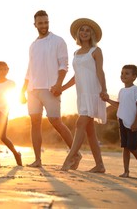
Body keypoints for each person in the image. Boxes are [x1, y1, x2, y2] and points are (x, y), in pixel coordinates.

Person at [20, 10, 78, 168]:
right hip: (32, 90)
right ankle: (38, 160)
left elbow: (63, 65)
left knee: (55, 121)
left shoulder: (58, 41)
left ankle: (75, 153)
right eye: (40, 23)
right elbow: (29, 69)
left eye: (46, 22)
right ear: (35, 25)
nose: (44, 25)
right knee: (35, 123)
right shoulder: (33, 45)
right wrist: (22, 90)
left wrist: (59, 84)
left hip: (50, 89)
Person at [60, 18, 107, 173]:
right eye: (82, 30)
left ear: (92, 34)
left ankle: (70, 158)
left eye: (88, 30)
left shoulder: (96, 51)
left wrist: (104, 90)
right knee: (90, 131)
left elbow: (100, 71)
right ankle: (100, 165)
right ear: (78, 34)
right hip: (81, 94)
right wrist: (62, 88)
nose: (85, 32)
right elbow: (76, 76)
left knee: (80, 124)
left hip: (93, 92)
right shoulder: (76, 53)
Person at [104, 65, 137, 178]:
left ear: (134, 76)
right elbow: (119, 105)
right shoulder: (122, 91)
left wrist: (135, 122)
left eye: (127, 73)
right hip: (122, 121)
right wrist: (107, 99)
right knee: (125, 147)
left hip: (132, 123)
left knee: (132, 147)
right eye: (122, 73)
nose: (123, 75)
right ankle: (126, 171)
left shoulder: (136, 91)